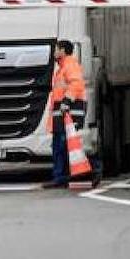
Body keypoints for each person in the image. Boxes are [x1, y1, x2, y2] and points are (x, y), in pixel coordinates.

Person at [44, 40, 100, 189]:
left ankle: (93, 170)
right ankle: (61, 177)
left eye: (56, 49)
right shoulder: (61, 68)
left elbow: (76, 84)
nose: (54, 52)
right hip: (61, 114)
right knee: (61, 147)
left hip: (68, 113)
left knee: (67, 146)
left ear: (63, 51)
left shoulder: (70, 66)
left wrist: (67, 101)